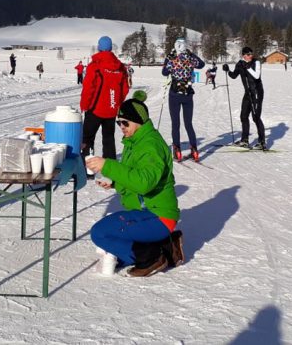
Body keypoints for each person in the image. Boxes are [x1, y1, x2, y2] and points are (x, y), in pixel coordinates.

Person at [86, 90, 183, 277]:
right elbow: (134, 176)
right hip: (146, 212)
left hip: (158, 216)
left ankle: (154, 256)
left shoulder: (150, 145)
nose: (121, 126)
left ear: (138, 120)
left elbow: (144, 184)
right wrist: (115, 182)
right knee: (109, 237)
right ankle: (164, 245)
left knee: (101, 234)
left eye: (125, 122)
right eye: (119, 122)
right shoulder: (135, 141)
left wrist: (108, 165)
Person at [80, 36, 130, 160]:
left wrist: (84, 106)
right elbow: (125, 88)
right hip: (111, 110)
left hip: (94, 110)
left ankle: (87, 166)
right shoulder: (120, 67)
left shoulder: (95, 65)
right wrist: (117, 103)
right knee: (108, 139)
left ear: (99, 48)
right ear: (111, 48)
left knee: (88, 138)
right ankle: (110, 166)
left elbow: (88, 88)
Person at [162, 37, 205, 162]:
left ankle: (177, 151)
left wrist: (168, 58)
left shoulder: (172, 58)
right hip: (187, 94)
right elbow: (201, 64)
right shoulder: (190, 57)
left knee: (175, 124)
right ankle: (194, 150)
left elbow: (164, 72)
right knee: (188, 124)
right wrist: (191, 54)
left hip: (175, 93)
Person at [223, 46, 267, 150]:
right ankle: (244, 140)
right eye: (248, 54)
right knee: (243, 116)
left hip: (257, 92)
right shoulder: (240, 63)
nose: (251, 56)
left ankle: (262, 142)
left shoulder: (256, 62)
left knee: (256, 117)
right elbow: (234, 75)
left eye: (251, 54)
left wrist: (247, 67)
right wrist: (228, 70)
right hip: (248, 93)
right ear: (243, 55)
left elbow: (256, 76)